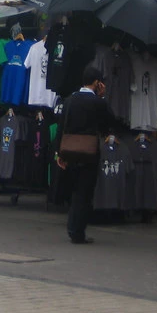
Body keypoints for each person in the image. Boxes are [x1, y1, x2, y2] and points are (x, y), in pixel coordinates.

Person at [56, 65, 114, 244]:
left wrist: (59, 152)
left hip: (70, 150)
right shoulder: (98, 103)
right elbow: (107, 126)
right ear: (97, 83)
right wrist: (102, 98)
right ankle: (77, 231)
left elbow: (61, 127)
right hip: (89, 151)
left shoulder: (69, 100)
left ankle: (73, 227)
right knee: (85, 192)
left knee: (74, 190)